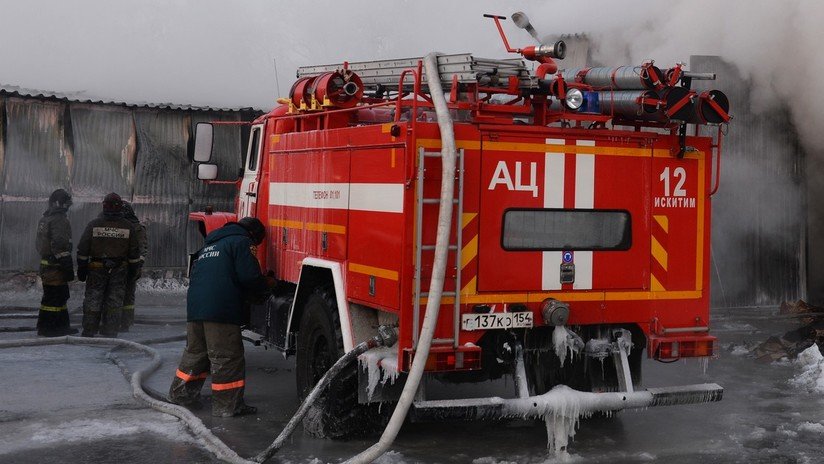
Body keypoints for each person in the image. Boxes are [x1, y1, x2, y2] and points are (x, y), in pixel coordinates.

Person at [169, 217, 270, 417]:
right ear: (253, 235)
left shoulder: (211, 244)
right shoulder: (242, 242)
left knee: (196, 353)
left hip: (196, 307)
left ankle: (181, 396)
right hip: (221, 309)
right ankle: (228, 406)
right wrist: (267, 286)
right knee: (226, 357)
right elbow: (249, 276)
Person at [76, 193, 140, 338]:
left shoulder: (94, 224)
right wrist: (133, 272)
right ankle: (110, 330)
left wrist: (82, 268)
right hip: (119, 270)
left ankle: (89, 329)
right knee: (114, 301)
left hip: (96, 268)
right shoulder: (128, 226)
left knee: (93, 298)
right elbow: (134, 253)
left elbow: (82, 249)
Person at [34, 189, 79, 337]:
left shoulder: (45, 218)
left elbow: (39, 244)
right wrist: (67, 266)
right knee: (55, 297)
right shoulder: (59, 219)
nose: (68, 206)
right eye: (66, 203)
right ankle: (50, 328)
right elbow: (60, 245)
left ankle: (59, 326)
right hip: (56, 267)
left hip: (47, 265)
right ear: (60, 203)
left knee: (56, 296)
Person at [119, 201, 148, 332]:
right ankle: (123, 322)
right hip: (125, 267)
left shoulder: (137, 228)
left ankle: (124, 322)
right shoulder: (133, 227)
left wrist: (137, 266)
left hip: (126, 267)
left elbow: (142, 250)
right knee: (126, 296)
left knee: (125, 295)